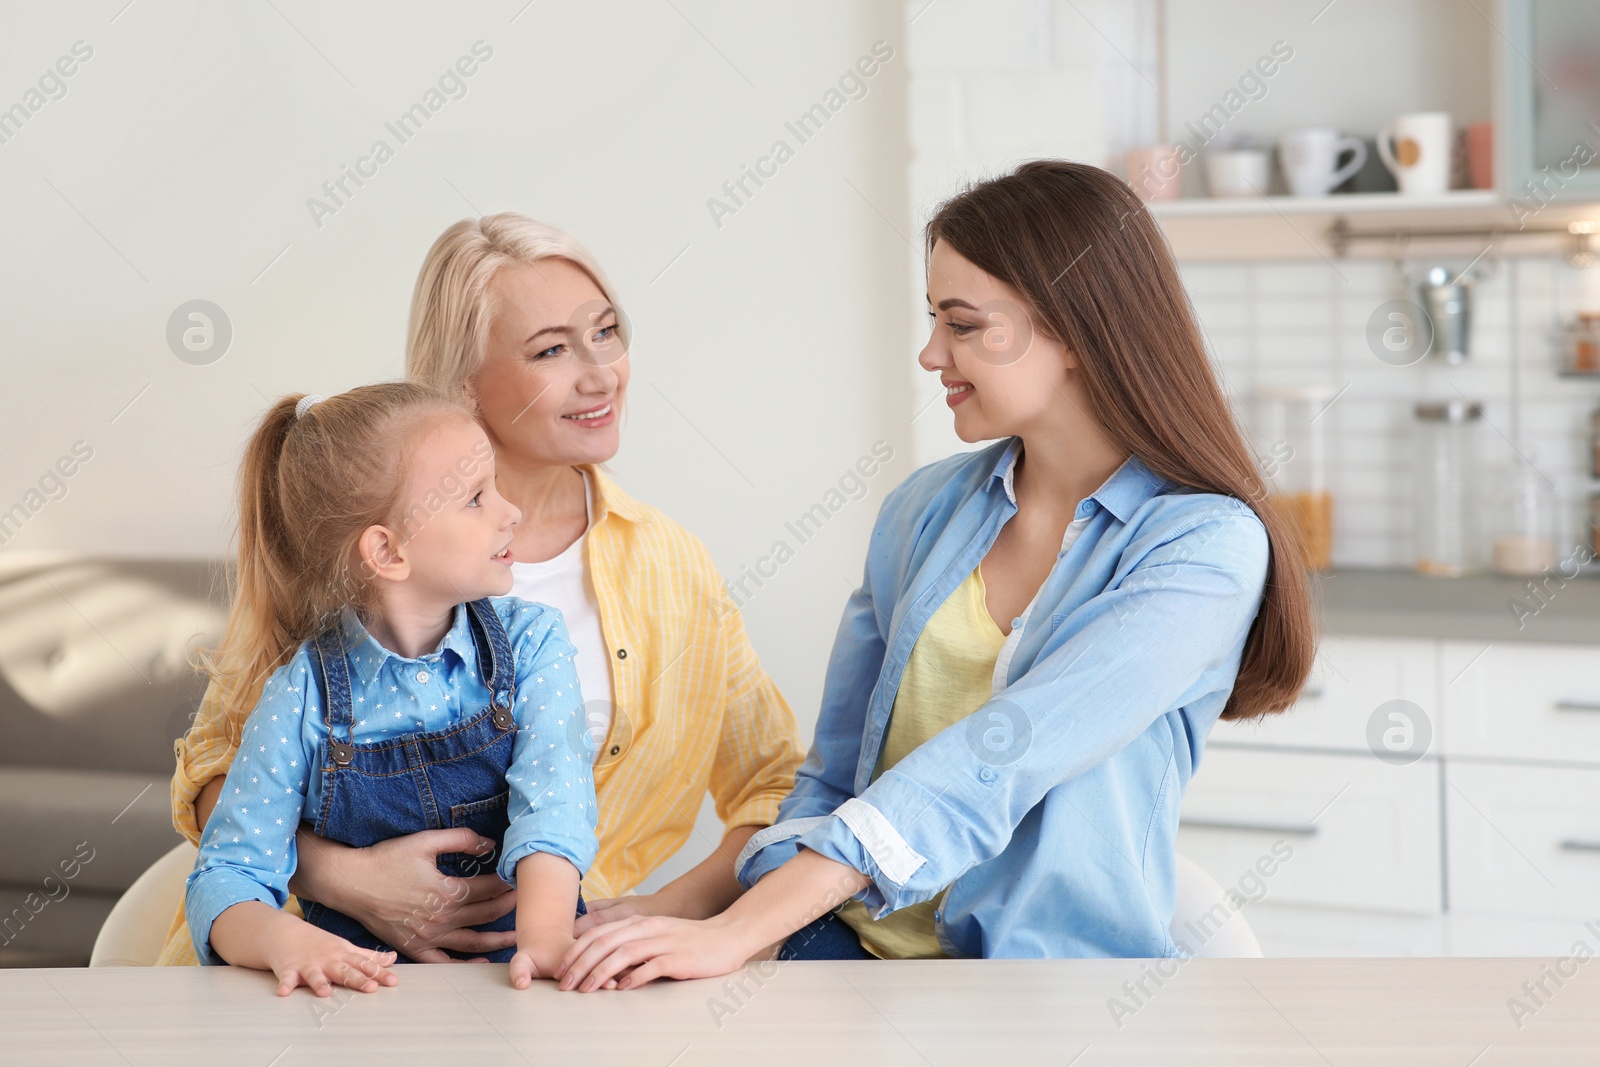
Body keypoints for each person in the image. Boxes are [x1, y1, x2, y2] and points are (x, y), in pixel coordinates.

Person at [550, 160, 1316, 990]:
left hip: (1056, 989)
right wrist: (707, 915)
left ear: (1073, 329)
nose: (929, 353)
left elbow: (996, 760)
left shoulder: (1202, 547)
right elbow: (833, 775)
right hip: (846, 951)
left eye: (962, 324)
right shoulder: (923, 511)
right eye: (933, 320)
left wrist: (732, 933)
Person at [158, 215, 804, 967]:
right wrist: (350, 879)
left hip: (540, 976)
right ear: (465, 385)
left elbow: (775, 786)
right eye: (552, 349)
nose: (601, 374)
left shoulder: (671, 566)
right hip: (321, 972)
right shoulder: (354, 545)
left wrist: (658, 912)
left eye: (606, 331)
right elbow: (212, 768)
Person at [186, 382, 599, 996]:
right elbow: (226, 874)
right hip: (365, 1005)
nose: (510, 512)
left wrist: (545, 939)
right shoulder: (299, 694)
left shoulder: (533, 643)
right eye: (476, 498)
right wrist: (283, 940)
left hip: (519, 983)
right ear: (387, 551)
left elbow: (554, 801)